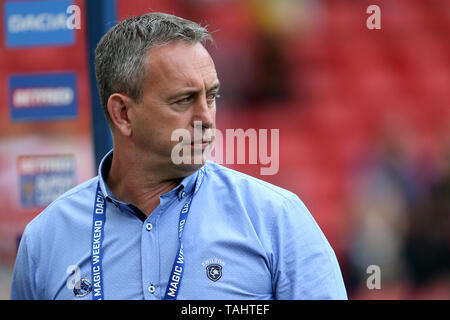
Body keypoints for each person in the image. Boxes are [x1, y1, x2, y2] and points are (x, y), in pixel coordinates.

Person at [11, 12, 347, 300]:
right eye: (184, 100)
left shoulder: (276, 218)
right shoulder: (45, 239)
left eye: (211, 96)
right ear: (123, 114)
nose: (206, 118)